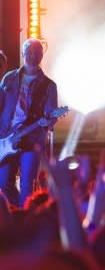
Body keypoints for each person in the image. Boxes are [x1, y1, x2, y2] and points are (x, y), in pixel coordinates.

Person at [0, 38, 58, 207]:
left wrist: (49, 120)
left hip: (31, 140)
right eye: (30, 52)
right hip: (6, 138)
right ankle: (19, 212)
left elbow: (52, 116)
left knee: (27, 184)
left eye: (37, 52)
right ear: (23, 53)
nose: (33, 55)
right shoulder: (9, 79)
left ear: (42, 55)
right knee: (3, 184)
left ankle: (25, 219)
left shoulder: (49, 86)